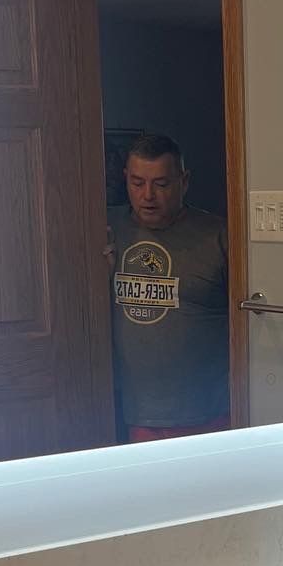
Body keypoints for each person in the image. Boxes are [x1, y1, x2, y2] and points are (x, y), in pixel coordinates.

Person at [106, 132, 231, 441]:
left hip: (208, 414)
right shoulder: (106, 229)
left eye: (161, 184)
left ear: (183, 182)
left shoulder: (219, 236)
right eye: (137, 183)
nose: (148, 195)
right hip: (130, 412)